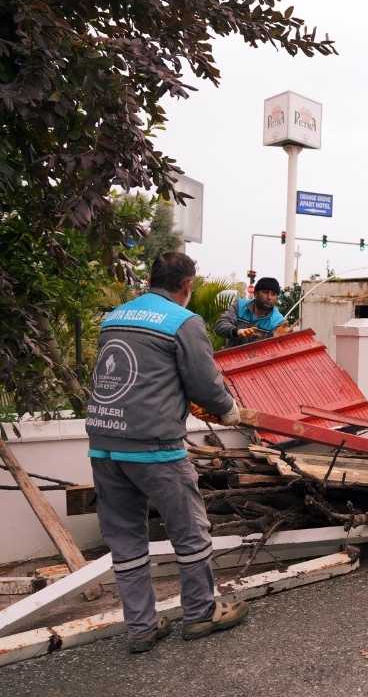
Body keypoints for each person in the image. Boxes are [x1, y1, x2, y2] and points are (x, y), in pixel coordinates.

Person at [86, 252, 249, 654]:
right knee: (190, 532)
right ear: (187, 286)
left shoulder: (115, 317)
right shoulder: (183, 321)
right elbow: (204, 385)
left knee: (125, 540)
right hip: (154, 447)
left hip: (104, 443)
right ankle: (199, 614)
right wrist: (229, 411)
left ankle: (141, 627)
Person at [214, 276, 288, 347]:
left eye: (273, 294)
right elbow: (220, 325)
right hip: (232, 358)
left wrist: (279, 340)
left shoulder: (278, 321)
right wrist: (237, 331)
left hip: (259, 359)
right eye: (265, 292)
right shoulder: (239, 306)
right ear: (255, 294)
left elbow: (277, 348)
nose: (269, 297)